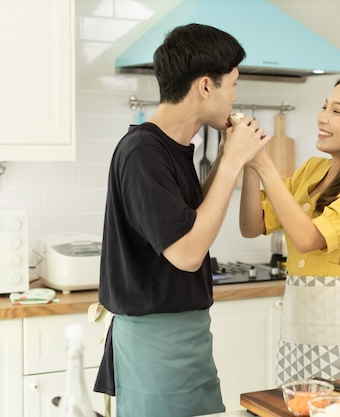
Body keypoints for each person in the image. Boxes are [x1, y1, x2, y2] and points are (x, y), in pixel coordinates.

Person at [93, 23, 270, 417]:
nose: (236, 97)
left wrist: (230, 156)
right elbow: (187, 253)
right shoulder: (142, 152)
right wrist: (231, 165)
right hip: (155, 348)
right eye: (234, 84)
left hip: (189, 340)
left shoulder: (172, 149)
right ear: (206, 86)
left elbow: (190, 222)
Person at [239, 75, 340, 385]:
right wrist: (249, 165)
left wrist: (266, 167)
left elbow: (308, 238)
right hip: (298, 334)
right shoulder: (312, 170)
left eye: (336, 111)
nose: (322, 117)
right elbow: (252, 224)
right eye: (325, 106)